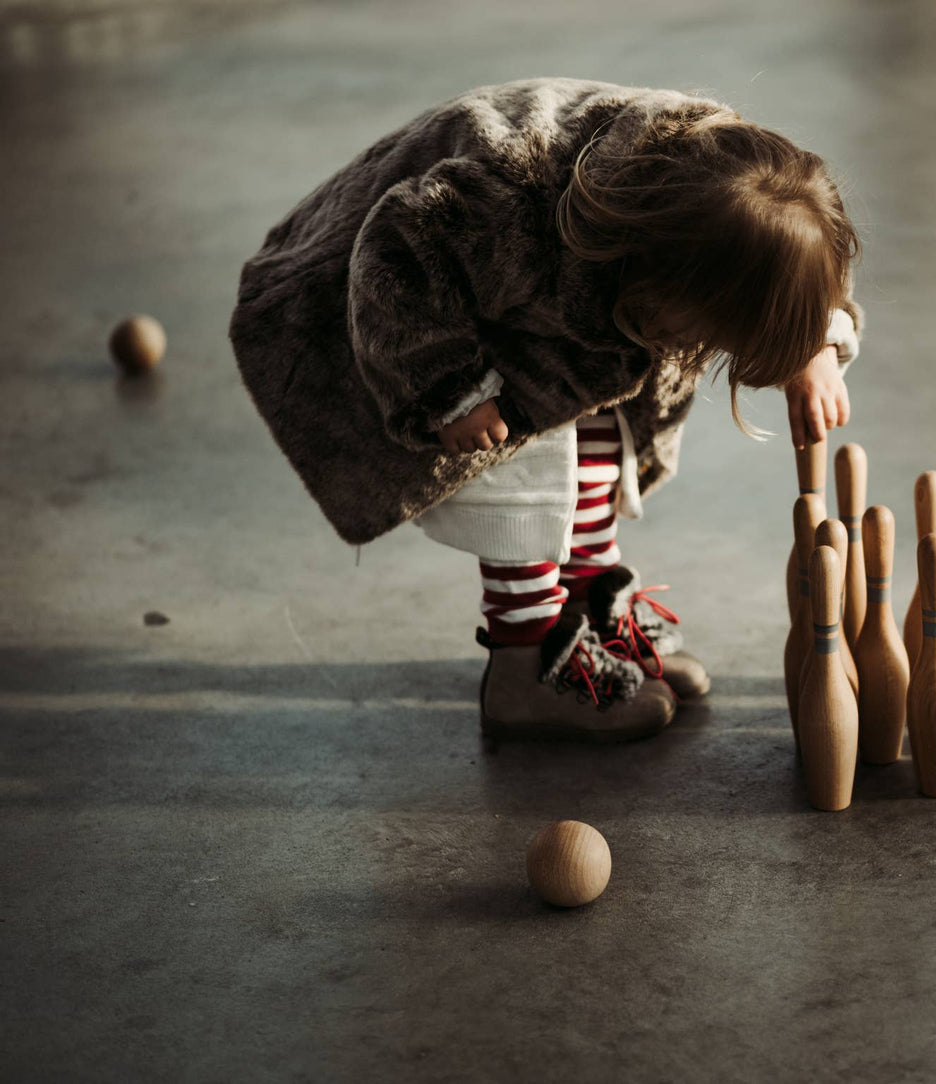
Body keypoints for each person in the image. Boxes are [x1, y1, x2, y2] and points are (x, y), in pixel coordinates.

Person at [229, 75, 866, 746]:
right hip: (376, 309)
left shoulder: (734, 196)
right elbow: (399, 254)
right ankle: (525, 663)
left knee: (600, 440)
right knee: (526, 482)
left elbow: (799, 260)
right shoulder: (513, 202)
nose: (701, 350)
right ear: (665, 278)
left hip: (529, 305)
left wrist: (815, 344)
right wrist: (447, 387)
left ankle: (585, 611)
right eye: (704, 333)